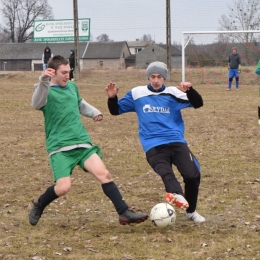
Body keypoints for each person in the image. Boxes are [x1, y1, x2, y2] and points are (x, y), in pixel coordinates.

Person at [29, 55, 148, 226]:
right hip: (60, 147)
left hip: (82, 142)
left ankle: (124, 212)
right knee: (63, 187)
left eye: (68, 72)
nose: (67, 76)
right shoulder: (44, 89)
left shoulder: (72, 86)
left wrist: (94, 112)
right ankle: (39, 203)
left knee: (104, 174)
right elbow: (36, 103)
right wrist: (43, 81)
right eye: (63, 73)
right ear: (52, 72)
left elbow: (79, 103)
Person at [106, 61, 205, 223]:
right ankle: (177, 195)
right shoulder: (138, 93)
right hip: (153, 144)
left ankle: (191, 212)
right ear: (148, 77)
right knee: (167, 173)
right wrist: (112, 98)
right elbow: (115, 110)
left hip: (176, 141)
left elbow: (198, 103)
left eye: (159, 76)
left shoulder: (173, 92)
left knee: (192, 175)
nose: (156, 80)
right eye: (152, 76)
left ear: (164, 77)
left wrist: (190, 90)